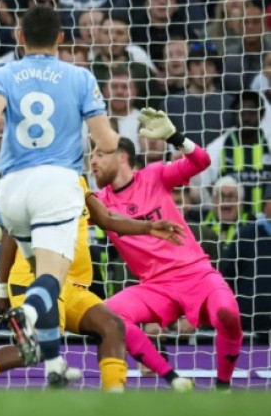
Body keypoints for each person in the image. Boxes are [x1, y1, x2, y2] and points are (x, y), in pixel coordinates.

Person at [0, 5, 119, 386]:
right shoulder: (80, 77)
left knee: (38, 278)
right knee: (50, 281)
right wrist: (112, 136)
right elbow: (107, 141)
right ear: (61, 38)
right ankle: (27, 314)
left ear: (20, 37)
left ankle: (54, 365)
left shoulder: (1, 73)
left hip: (11, 189)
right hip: (56, 186)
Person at [0, 175, 191, 392]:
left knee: (112, 325)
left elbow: (107, 218)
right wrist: (1, 290)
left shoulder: (78, 181)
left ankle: (113, 401)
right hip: (34, 279)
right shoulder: (30, 182)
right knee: (35, 350)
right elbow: (11, 232)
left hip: (73, 286)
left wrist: (148, 227)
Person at [90, 122, 243, 390]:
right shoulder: (98, 203)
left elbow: (202, 161)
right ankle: (172, 378)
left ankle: (223, 387)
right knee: (107, 315)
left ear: (122, 156)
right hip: (155, 287)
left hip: (195, 273)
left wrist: (175, 137)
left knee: (228, 314)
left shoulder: (154, 175)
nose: (92, 161)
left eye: (99, 154)